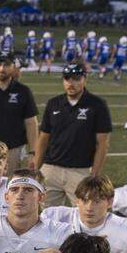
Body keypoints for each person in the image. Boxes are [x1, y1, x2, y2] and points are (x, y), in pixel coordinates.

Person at [33, 64, 112, 208]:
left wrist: (94, 175)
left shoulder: (98, 105)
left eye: (76, 79)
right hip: (50, 170)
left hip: (80, 171)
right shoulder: (53, 103)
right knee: (49, 217)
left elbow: (103, 144)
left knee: (85, 215)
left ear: (84, 79)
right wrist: (37, 169)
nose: (71, 83)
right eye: (67, 79)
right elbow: (43, 138)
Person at [41, 174, 127, 253]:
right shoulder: (54, 217)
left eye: (96, 201)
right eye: (85, 200)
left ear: (110, 202)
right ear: (77, 200)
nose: (89, 208)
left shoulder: (125, 230)